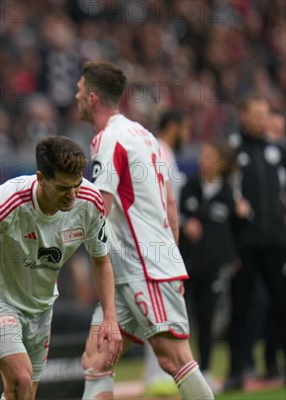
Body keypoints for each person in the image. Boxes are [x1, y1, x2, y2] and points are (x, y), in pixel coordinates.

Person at [76, 61, 215, 399]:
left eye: (79, 90)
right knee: (97, 357)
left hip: (143, 268)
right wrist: (170, 251)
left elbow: (101, 206)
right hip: (134, 268)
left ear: (93, 97)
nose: (75, 95)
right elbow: (170, 204)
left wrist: (67, 244)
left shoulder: (109, 139)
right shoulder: (145, 136)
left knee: (174, 358)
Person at [0, 135, 122, 400]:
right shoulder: (6, 202)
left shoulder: (90, 202)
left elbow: (100, 260)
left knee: (24, 394)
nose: (73, 195)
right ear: (41, 178)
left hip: (41, 307)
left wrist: (109, 315)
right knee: (21, 379)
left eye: (76, 185)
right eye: (64, 188)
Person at [224, 96, 286, 391]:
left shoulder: (277, 150)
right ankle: (238, 369)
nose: (262, 120)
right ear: (244, 115)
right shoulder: (232, 149)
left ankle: (274, 362)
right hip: (244, 243)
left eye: (265, 114)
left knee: (281, 302)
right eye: (256, 114)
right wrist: (232, 207)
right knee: (241, 307)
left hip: (275, 240)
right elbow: (217, 186)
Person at [180, 139, 248, 391]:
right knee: (183, 318)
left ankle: (206, 369)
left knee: (210, 319)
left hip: (216, 269)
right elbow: (176, 216)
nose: (203, 161)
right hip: (187, 266)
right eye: (202, 155)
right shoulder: (189, 186)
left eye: (209, 156)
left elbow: (238, 229)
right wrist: (186, 223)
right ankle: (178, 369)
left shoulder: (229, 192)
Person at [141, 109, 192, 397]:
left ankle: (158, 376)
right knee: (160, 316)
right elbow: (164, 203)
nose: (188, 134)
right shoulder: (161, 151)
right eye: (185, 127)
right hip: (159, 245)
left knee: (157, 316)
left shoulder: (158, 150)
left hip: (155, 243)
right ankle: (158, 377)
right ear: (173, 125)